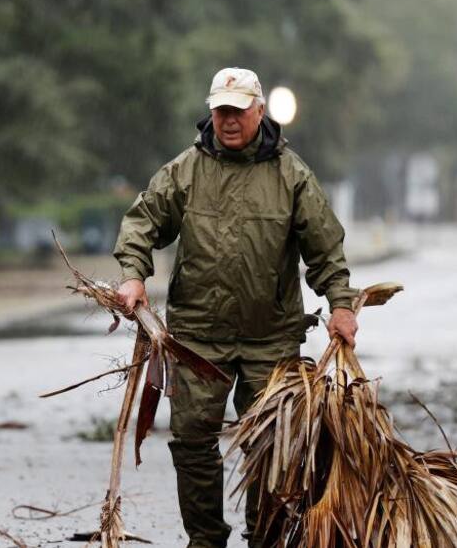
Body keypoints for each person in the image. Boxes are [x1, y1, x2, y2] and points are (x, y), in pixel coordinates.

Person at [112, 67, 359, 548]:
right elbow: (142, 223)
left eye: (238, 111)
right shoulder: (186, 170)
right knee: (190, 440)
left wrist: (342, 305)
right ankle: (206, 539)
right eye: (221, 110)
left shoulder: (291, 175)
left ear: (259, 112)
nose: (228, 120)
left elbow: (325, 248)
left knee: (271, 444)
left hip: (271, 337)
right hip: (198, 337)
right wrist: (133, 276)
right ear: (211, 112)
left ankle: (263, 537)